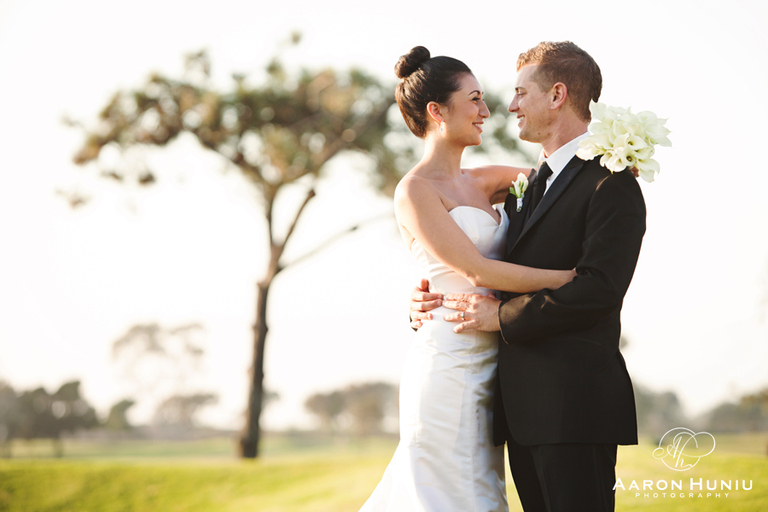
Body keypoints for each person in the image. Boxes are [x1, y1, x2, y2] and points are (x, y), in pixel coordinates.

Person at [410, 41, 646, 512]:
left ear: (557, 95)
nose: (509, 105)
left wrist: (501, 317)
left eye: (521, 92)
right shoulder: (527, 186)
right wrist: (430, 301)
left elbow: (599, 290)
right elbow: (476, 262)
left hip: (575, 407)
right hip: (517, 410)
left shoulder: (610, 182)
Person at [359, 46, 577, 512]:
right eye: (474, 100)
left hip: (496, 364)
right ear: (437, 111)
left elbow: (569, 180)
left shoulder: (486, 180)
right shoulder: (414, 190)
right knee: (448, 495)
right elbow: (476, 270)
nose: (486, 111)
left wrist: (614, 160)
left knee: (482, 490)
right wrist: (567, 280)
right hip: (447, 362)